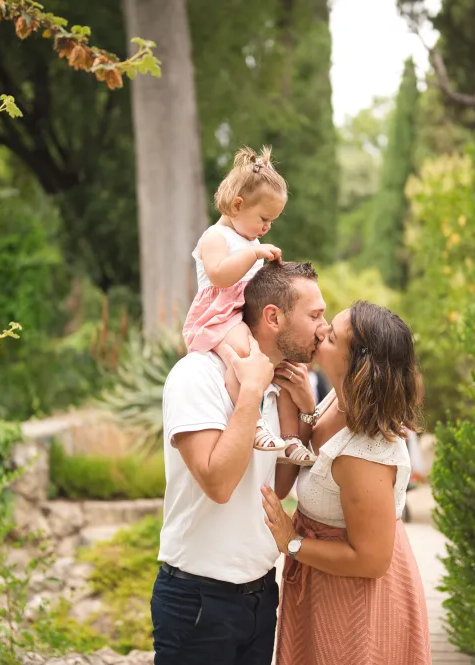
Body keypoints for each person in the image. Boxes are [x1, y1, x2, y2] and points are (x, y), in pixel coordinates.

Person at [152, 261, 328, 665]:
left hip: (261, 596)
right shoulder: (197, 376)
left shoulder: (279, 385)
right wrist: (250, 391)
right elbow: (219, 484)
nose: (323, 327)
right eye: (315, 315)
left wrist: (303, 409)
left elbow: (276, 487)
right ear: (273, 317)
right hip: (199, 601)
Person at [260, 300, 433, 665]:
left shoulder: (365, 455)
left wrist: (291, 542)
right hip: (326, 581)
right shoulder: (340, 399)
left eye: (332, 337)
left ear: (356, 365)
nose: (320, 330)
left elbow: (371, 561)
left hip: (355, 600)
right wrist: (306, 409)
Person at [181, 145, 314, 467]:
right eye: (264, 219)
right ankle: (252, 421)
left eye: (272, 222)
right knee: (243, 353)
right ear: (238, 205)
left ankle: (291, 438)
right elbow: (219, 275)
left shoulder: (252, 240)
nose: (267, 228)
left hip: (245, 314)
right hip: (220, 316)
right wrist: (253, 254)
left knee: (285, 366)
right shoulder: (215, 237)